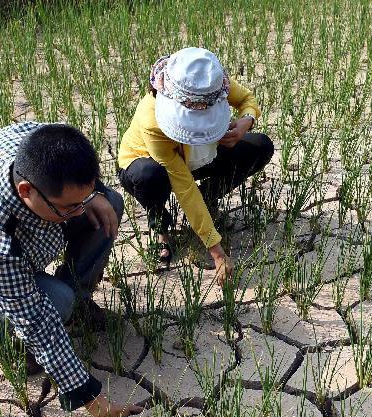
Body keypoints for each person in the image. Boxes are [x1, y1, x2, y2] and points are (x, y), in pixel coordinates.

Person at [0, 122, 142, 417]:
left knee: (109, 203)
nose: (79, 210)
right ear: (26, 190)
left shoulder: (36, 141)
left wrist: (94, 195)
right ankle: (7, 331)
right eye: (70, 207)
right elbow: (37, 320)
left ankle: (77, 300)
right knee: (56, 304)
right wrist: (91, 398)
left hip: (23, 239)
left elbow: (78, 182)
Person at [117, 47, 274, 281]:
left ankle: (208, 197)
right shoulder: (152, 119)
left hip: (197, 154)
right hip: (148, 163)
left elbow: (246, 100)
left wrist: (245, 123)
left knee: (260, 146)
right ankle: (159, 223)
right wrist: (217, 252)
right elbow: (183, 186)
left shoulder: (210, 85)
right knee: (149, 176)